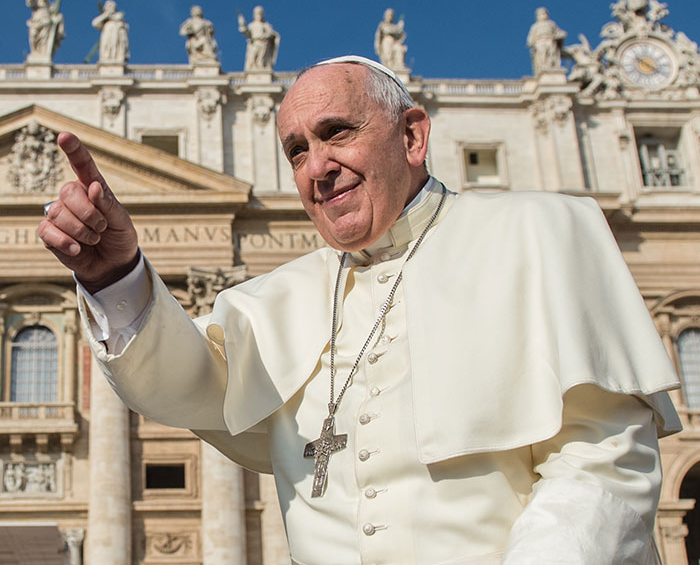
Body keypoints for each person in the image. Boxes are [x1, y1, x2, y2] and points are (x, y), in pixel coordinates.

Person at [39, 55, 681, 564]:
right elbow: (190, 387)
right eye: (295, 150)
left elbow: (602, 461)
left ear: (412, 135)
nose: (317, 166)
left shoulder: (539, 232)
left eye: (337, 133)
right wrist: (119, 275)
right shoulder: (279, 297)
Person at [237, 6, 279, 71]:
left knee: (261, 61)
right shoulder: (252, 25)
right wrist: (242, 24)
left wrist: (266, 36)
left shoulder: (266, 25)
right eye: (257, 13)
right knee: (252, 59)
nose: (258, 15)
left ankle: (261, 69)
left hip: (264, 44)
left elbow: (272, 34)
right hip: (254, 44)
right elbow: (247, 33)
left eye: (260, 13)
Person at [92, 0, 129, 64]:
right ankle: (106, 60)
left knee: (117, 47)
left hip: (118, 37)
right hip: (108, 35)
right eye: (108, 6)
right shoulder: (105, 19)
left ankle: (118, 60)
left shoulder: (119, 17)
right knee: (107, 47)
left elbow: (125, 29)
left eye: (112, 6)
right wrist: (106, 15)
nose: (110, 8)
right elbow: (95, 23)